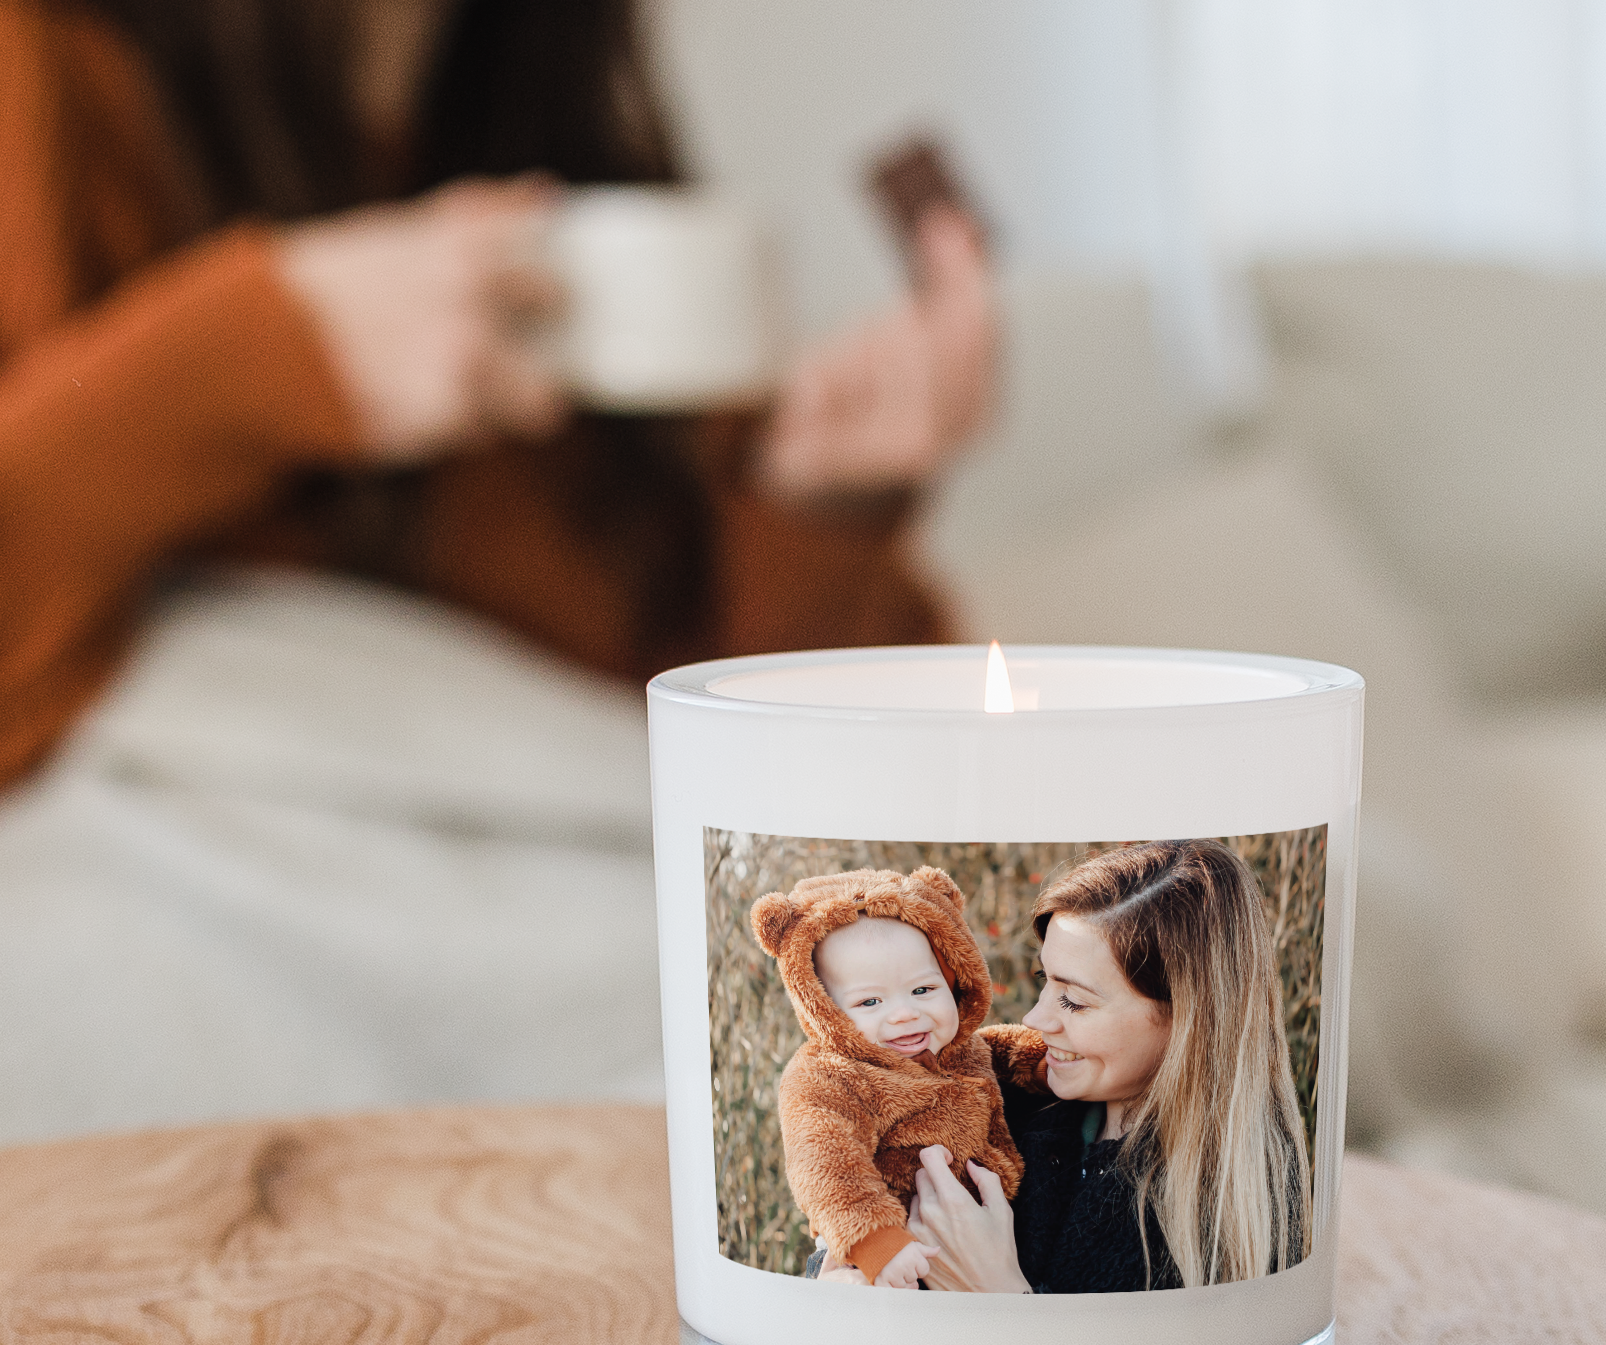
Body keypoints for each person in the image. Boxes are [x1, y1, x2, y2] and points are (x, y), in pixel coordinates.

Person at [0, 0, 996, 791]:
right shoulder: (43, 83)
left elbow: (738, 772)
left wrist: (816, 504)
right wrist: (254, 359)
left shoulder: (555, 136)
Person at [905, 840, 1312, 1294]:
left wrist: (997, 1291)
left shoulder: (1237, 1206)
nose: (1034, 1019)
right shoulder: (994, 1104)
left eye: (1074, 1001)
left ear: (1190, 1022)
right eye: (1045, 979)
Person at [750, 865, 1032, 1287]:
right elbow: (824, 1161)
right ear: (826, 1010)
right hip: (880, 1250)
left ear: (954, 983)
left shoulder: (963, 1048)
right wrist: (877, 1244)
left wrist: (1046, 1060)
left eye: (922, 990)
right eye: (870, 1002)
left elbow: (1006, 1053)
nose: (904, 1013)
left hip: (974, 1241)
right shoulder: (830, 1076)